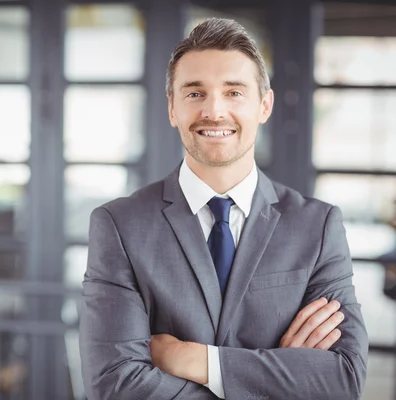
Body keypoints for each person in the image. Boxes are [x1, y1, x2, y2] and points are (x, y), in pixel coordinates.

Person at [79, 18, 367, 400]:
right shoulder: (118, 226)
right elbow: (114, 384)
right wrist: (281, 378)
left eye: (234, 93)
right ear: (172, 108)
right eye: (195, 94)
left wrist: (198, 361)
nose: (214, 111)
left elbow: (343, 378)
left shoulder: (318, 225)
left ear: (264, 105)